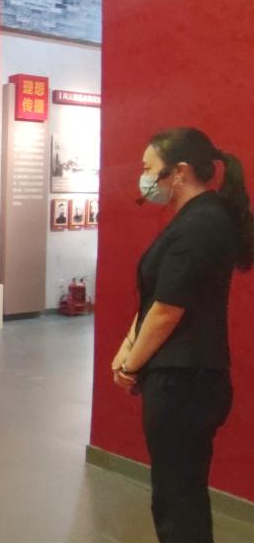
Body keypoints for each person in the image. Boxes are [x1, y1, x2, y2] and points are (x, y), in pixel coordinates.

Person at [112, 128, 251, 542]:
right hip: (182, 378)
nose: (144, 177)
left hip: (185, 383)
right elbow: (155, 297)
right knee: (177, 492)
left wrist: (131, 365)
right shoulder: (195, 218)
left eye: (149, 168)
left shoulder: (201, 224)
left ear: (180, 171)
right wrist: (127, 345)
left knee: (178, 500)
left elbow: (168, 311)